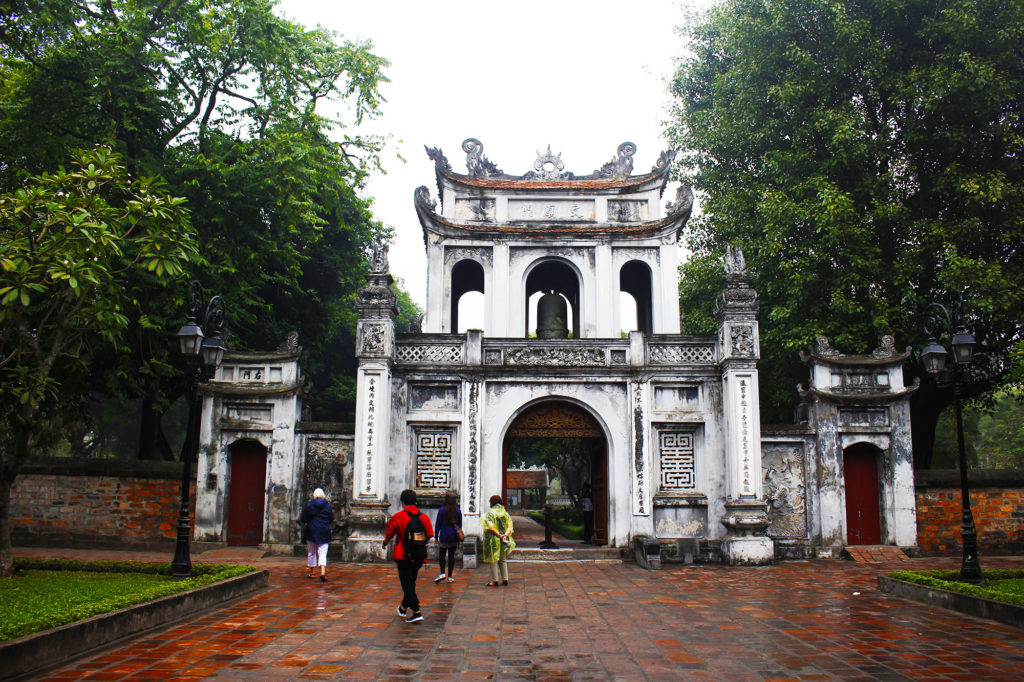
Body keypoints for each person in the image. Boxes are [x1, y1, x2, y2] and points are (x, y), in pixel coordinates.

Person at [383, 489, 434, 623]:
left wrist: (385, 542)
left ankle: (416, 611)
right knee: (410, 581)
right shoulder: (423, 517)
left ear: (403, 502)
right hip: (419, 555)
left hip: (403, 554)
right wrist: (419, 545)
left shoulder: (399, 516)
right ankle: (403, 607)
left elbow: (390, 532)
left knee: (407, 584)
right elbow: (429, 534)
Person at [300, 488, 333, 582]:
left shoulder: (310, 505)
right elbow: (331, 519)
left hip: (312, 529)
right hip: (324, 530)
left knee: (311, 551)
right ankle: (322, 570)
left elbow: (303, 518)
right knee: (322, 551)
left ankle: (311, 571)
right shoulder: (327, 506)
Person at [481, 494, 515, 586]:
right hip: (504, 539)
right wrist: (505, 535)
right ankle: (505, 579)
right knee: (503, 559)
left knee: (494, 559)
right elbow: (510, 526)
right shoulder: (505, 513)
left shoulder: (490, 513)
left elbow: (491, 527)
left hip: (493, 540)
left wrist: (499, 535)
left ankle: (495, 580)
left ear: (492, 503)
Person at [433, 493, 463, 584]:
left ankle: (442, 573)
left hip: (444, 535)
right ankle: (450, 576)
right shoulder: (458, 511)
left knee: (442, 555)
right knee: (451, 556)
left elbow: (438, 524)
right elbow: (459, 525)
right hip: (453, 536)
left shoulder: (442, 510)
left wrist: (436, 536)